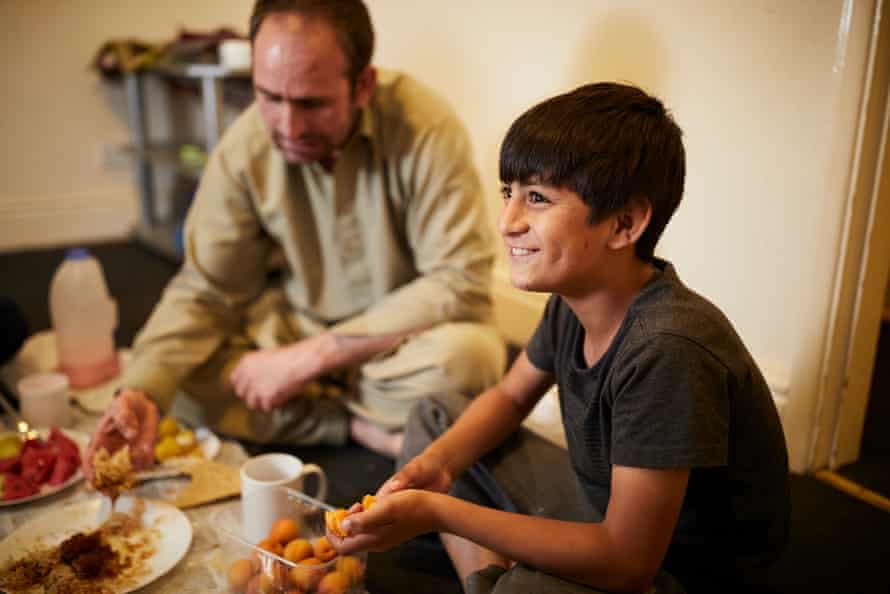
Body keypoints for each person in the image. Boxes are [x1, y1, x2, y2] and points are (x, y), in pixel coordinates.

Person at [329, 83, 791, 594]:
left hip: (674, 570)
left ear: (624, 223)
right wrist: (434, 470)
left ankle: (502, 582)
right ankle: (495, 580)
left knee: (524, 588)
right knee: (437, 420)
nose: (507, 222)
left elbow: (627, 562)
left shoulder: (668, 348)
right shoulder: (572, 300)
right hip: (605, 507)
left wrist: (442, 511)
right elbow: (509, 397)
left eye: (538, 198)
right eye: (509, 192)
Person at [85, 0, 505, 474]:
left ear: (363, 84)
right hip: (295, 330)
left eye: (311, 103)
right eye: (269, 96)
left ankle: (324, 409)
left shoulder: (425, 125)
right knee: (170, 379)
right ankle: (356, 427)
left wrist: (315, 356)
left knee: (471, 360)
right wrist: (141, 391)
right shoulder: (244, 146)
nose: (287, 126)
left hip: (400, 345)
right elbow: (206, 290)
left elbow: (459, 280)